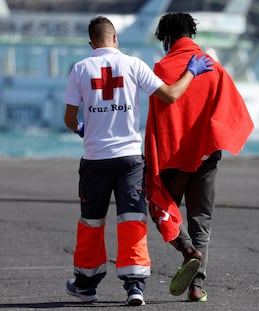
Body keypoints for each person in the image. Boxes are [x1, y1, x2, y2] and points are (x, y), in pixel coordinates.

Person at [63, 16, 213, 306]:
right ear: (115, 38)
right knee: (132, 220)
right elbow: (170, 96)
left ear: (91, 43)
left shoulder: (80, 69)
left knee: (92, 222)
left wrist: (81, 128)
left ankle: (86, 286)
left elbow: (70, 118)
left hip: (95, 159)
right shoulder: (133, 64)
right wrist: (192, 71)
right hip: (130, 159)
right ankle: (135, 287)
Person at [145, 12, 254, 302]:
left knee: (161, 207)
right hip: (206, 154)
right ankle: (197, 287)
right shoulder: (213, 67)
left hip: (173, 157)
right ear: (191, 34)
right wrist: (210, 144)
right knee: (201, 220)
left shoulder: (162, 68)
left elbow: (157, 117)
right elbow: (233, 113)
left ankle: (187, 250)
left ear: (166, 38)